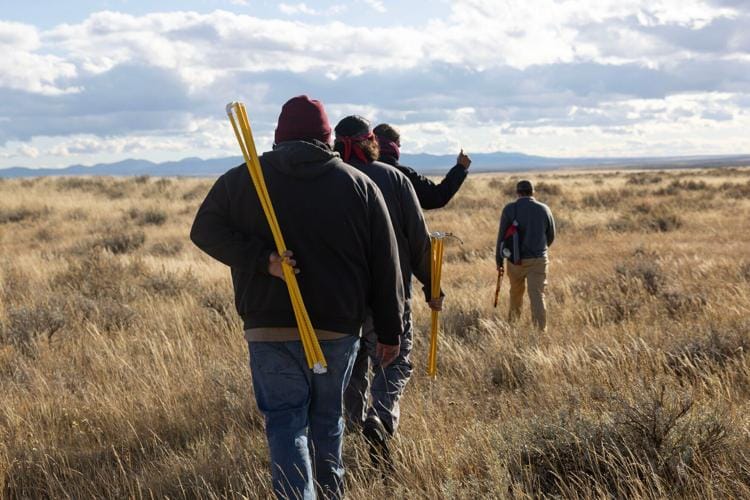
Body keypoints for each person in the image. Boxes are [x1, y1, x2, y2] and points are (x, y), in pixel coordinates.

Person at [190, 96, 405, 500]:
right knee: (327, 420)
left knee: (286, 424)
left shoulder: (244, 179)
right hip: (338, 326)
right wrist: (390, 332)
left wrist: (262, 261)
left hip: (267, 324)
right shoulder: (360, 185)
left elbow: (204, 230)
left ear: (277, 135)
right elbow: (386, 264)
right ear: (328, 138)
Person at [335, 115, 442, 465]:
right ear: (371, 143)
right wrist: (431, 284)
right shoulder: (394, 178)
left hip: (342, 297)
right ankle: (379, 418)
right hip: (391, 293)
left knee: (352, 364)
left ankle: (355, 426)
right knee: (393, 362)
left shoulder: (329, 179)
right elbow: (418, 240)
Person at [495, 179, 555, 332]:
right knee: (537, 296)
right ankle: (540, 332)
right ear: (533, 192)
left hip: (515, 261)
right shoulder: (544, 209)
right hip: (538, 260)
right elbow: (551, 235)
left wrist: (499, 260)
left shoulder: (509, 209)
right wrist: (540, 249)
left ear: (517, 192)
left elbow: (501, 237)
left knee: (515, 294)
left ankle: (513, 327)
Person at [373, 123, 471, 210]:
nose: (399, 147)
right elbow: (435, 197)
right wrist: (460, 168)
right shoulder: (401, 174)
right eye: (398, 144)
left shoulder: (359, 172)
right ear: (392, 145)